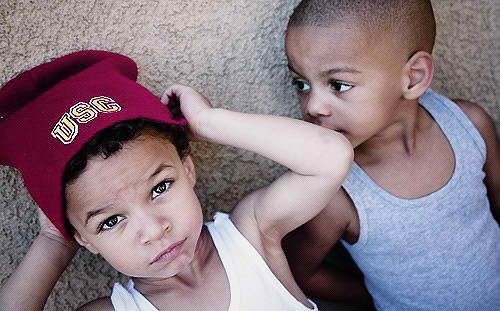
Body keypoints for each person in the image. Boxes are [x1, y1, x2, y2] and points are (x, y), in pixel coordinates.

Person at [0, 50, 353, 310]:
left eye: (160, 188)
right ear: (84, 239)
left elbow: (330, 158)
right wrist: (53, 241)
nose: (154, 230)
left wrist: (209, 122)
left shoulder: (251, 238)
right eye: (109, 221)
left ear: (188, 169)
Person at [282, 0, 500, 310]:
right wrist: (378, 296)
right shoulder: (337, 193)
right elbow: (300, 272)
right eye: (301, 83)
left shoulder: (470, 127)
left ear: (413, 77)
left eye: (338, 84)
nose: (313, 106)